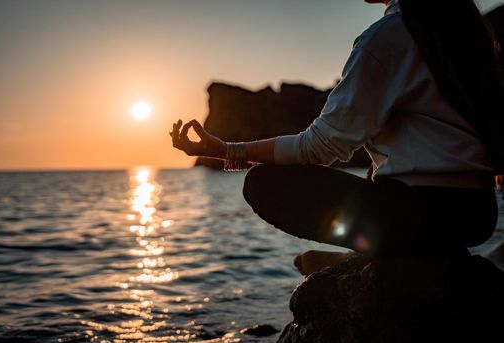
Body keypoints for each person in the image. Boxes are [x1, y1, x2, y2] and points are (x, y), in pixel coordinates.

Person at [170, 0, 504, 276]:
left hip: (416, 215)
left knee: (264, 184)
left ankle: (364, 259)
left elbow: (320, 146)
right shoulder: (466, 34)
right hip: (477, 214)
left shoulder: (388, 37)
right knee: (380, 174)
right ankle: (379, 256)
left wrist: (227, 149)